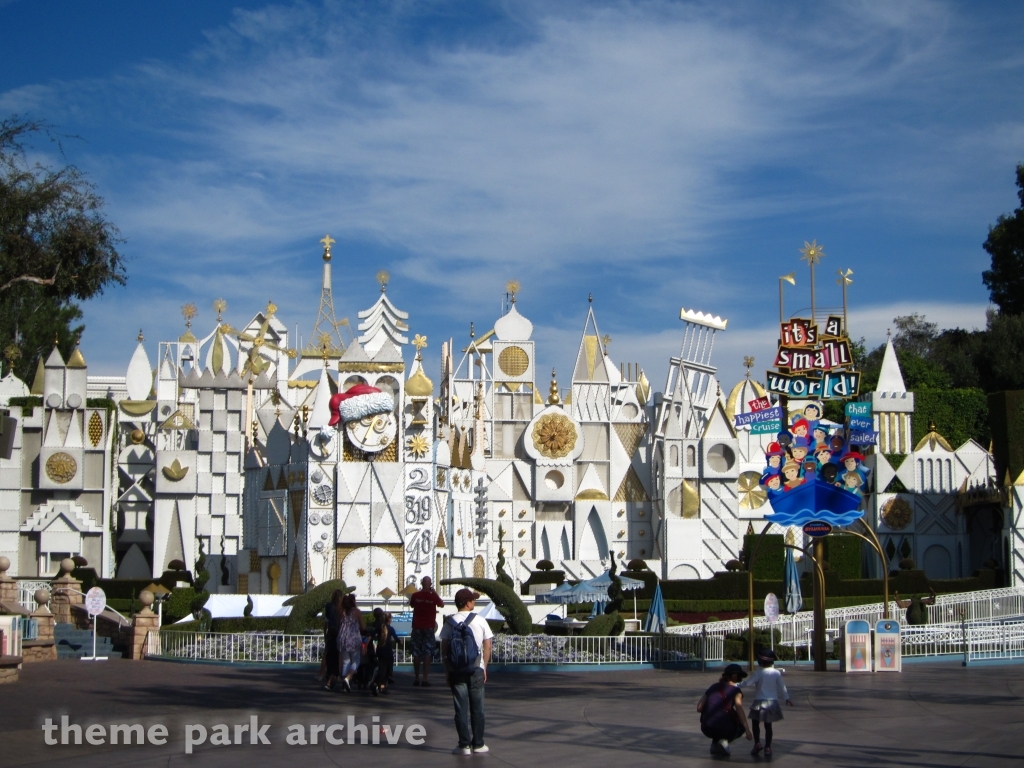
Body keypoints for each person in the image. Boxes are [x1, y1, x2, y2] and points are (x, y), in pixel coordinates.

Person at [440, 588, 493, 756]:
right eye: (473, 600)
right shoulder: (480, 620)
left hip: (456, 670)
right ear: (468, 603)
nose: (474, 602)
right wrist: (484, 666)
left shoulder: (449, 622)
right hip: (476, 668)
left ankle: (464, 745)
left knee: (460, 708)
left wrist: (448, 671)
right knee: (478, 709)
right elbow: (488, 646)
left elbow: (444, 649)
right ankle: (478, 743)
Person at [739, 649, 792, 758]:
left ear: (760, 661)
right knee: (768, 726)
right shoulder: (776, 673)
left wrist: (733, 685)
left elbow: (747, 683)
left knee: (755, 723)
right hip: (772, 702)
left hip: (759, 702)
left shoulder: (758, 673)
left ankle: (757, 743)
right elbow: (782, 687)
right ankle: (768, 747)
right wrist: (787, 698)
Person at [697, 663, 753, 756]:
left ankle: (715, 744)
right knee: (740, 726)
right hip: (724, 728)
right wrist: (747, 730)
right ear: (735, 676)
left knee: (718, 722)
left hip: (706, 728)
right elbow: (739, 709)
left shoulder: (713, 687)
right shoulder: (736, 691)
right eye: (740, 676)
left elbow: (699, 708)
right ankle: (724, 741)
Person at [409, 576, 445, 686]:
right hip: (429, 627)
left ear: (421, 583)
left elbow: (411, 604)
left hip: (417, 627)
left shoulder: (416, 595)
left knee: (416, 653)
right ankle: (425, 678)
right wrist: (434, 593)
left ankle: (416, 678)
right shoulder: (433, 596)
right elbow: (441, 604)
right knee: (427, 653)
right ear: (430, 584)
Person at [336, 593, 364, 693]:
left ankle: (344, 685)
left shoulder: (341, 612)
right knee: (356, 661)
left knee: (345, 661)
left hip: (342, 638)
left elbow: (338, 624)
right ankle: (348, 678)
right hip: (353, 639)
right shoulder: (357, 612)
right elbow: (362, 627)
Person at [321, 589, 344, 690]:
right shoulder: (342, 608)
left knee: (328, 654)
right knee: (339, 655)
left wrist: (325, 633)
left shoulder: (329, 606)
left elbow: (326, 621)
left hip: (331, 633)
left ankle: (324, 673)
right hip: (340, 633)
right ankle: (336, 674)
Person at [372, 612, 398, 696]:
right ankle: (378, 684)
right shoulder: (390, 629)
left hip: (380, 650)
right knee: (387, 670)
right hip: (387, 651)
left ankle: (379, 685)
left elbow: (372, 635)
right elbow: (396, 638)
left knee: (381, 668)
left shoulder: (379, 627)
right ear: (389, 619)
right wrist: (400, 642)